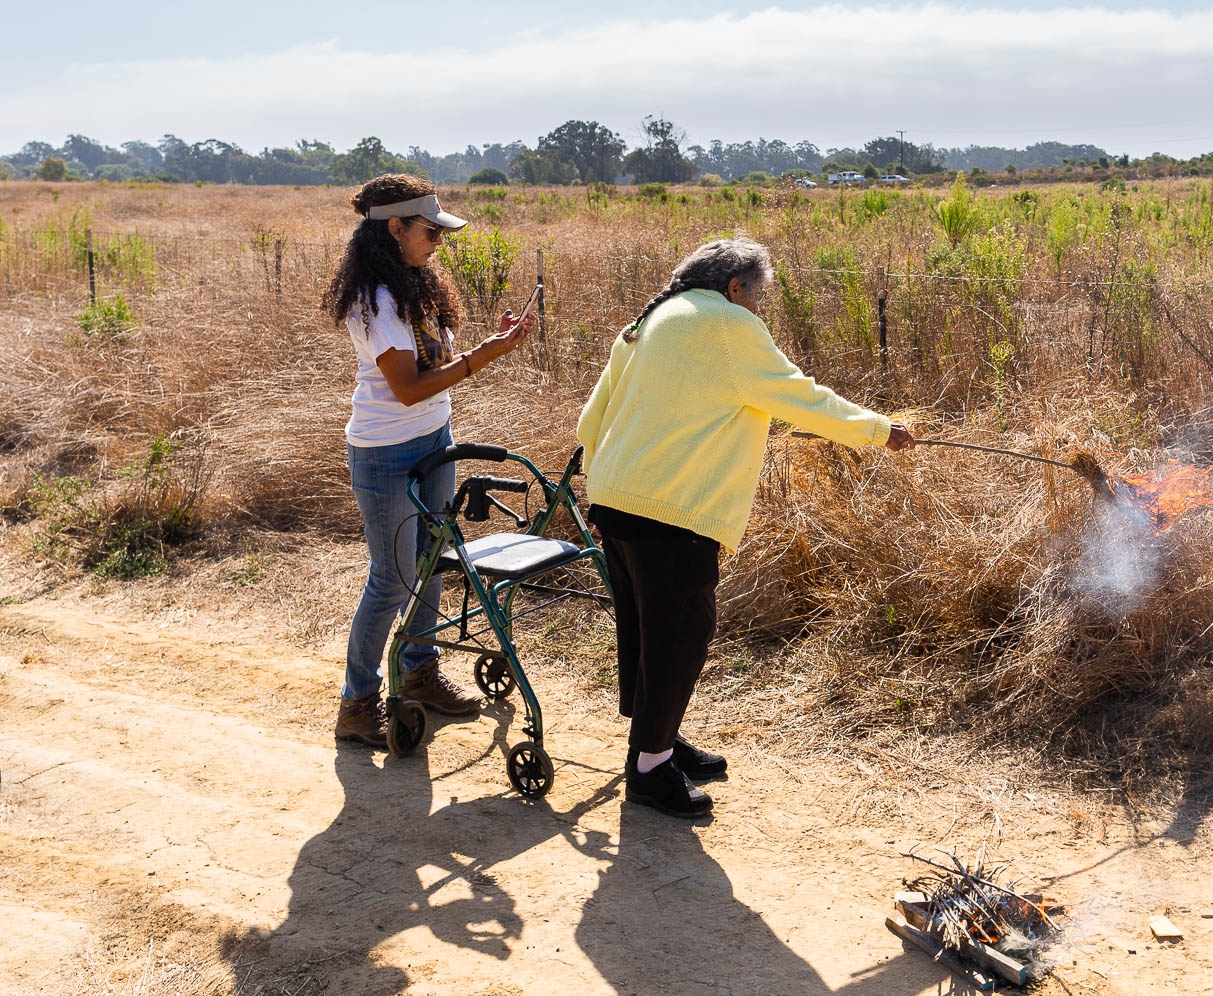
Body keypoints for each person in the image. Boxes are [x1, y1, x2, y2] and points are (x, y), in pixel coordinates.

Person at [577, 237, 913, 818]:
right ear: (734, 288)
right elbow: (798, 397)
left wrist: (604, 479)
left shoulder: (649, 319)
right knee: (681, 632)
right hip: (671, 507)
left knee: (642, 626)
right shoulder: (728, 325)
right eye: (758, 298)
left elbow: (591, 420)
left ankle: (653, 741)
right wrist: (880, 430)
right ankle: (651, 768)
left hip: (615, 497)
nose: (758, 311)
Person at [322, 174, 534, 746]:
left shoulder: (413, 284)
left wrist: (493, 346)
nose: (439, 238)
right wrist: (483, 357)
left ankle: (418, 673)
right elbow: (409, 387)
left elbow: (431, 366)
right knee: (390, 579)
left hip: (433, 437)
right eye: (429, 229)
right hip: (386, 452)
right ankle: (358, 703)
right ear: (394, 229)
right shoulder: (375, 299)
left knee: (433, 558)